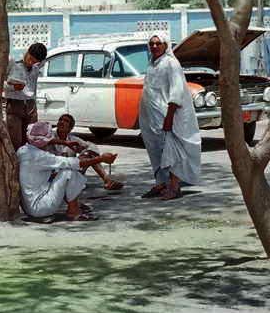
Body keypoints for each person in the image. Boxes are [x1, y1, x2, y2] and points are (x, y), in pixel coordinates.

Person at [138, 33, 201, 201]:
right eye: (151, 44)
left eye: (158, 43)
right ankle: (161, 183)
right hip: (152, 118)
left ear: (165, 45)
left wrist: (169, 117)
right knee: (156, 150)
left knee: (170, 151)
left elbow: (176, 91)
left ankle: (174, 186)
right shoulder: (152, 64)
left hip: (167, 116)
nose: (154, 46)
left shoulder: (171, 64)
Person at [17, 122, 116, 221]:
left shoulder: (23, 150)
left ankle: (74, 204)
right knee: (69, 172)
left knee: (61, 172)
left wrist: (64, 143)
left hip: (28, 207)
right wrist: (101, 159)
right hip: (40, 208)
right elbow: (73, 163)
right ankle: (74, 212)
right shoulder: (41, 157)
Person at [47, 114, 123, 191]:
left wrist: (83, 152)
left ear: (70, 128)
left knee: (90, 154)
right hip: (53, 174)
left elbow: (92, 147)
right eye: (60, 120)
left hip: (70, 172)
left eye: (66, 121)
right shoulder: (49, 136)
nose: (62, 122)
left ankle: (107, 180)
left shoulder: (73, 139)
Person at [4, 42, 47, 150]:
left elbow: (43, 61)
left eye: (34, 61)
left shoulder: (37, 66)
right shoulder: (12, 63)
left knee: (31, 140)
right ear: (27, 52)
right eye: (30, 59)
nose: (31, 62)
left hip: (30, 105)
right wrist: (13, 88)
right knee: (16, 141)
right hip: (15, 104)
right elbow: (0, 84)